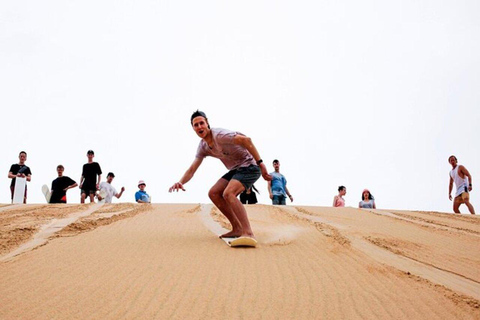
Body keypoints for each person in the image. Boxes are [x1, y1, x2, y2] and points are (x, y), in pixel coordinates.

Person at [169, 110, 272, 239]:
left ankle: (248, 232)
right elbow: (192, 170)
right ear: (193, 128)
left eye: (202, 123)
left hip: (250, 166)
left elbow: (247, 140)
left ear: (207, 124)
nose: (199, 127)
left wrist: (261, 163)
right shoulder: (203, 147)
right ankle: (237, 228)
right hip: (237, 169)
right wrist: (181, 182)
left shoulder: (220, 136)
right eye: (196, 125)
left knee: (228, 193)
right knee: (213, 193)